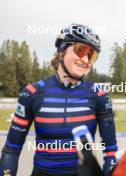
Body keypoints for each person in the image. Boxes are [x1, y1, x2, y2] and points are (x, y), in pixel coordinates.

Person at [0, 23, 118, 176]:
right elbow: (11, 149)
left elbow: (111, 153)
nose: (86, 59)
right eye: (81, 50)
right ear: (62, 51)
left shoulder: (100, 95)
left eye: (91, 55)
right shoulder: (32, 93)